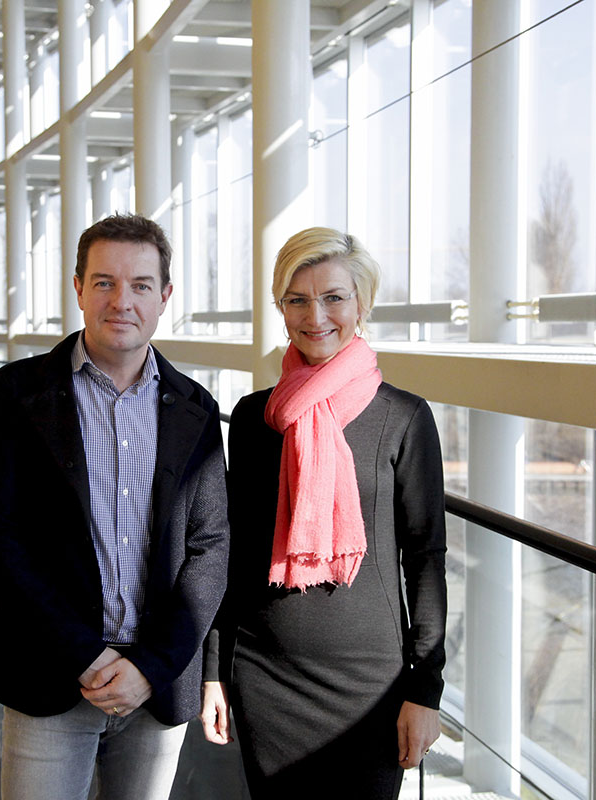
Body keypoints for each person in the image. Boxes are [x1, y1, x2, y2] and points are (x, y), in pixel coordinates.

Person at [0, 213, 230, 800]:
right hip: (51, 677)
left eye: (140, 285)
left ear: (164, 297)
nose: (122, 301)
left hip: (155, 686)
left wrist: (151, 667)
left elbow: (210, 548)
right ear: (79, 288)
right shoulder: (17, 394)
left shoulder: (195, 407)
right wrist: (84, 653)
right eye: (105, 282)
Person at [200, 228, 447, 798]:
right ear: (280, 306)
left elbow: (425, 558)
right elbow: (231, 552)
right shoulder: (254, 417)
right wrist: (214, 669)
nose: (316, 315)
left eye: (334, 297)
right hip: (265, 673)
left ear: (362, 304)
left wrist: (425, 690)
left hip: (369, 682)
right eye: (297, 299)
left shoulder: (404, 417)